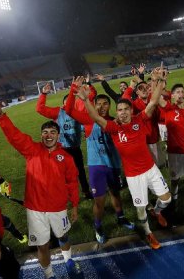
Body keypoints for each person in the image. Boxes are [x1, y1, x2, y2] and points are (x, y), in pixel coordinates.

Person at [75, 67, 171, 250]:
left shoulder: (139, 120)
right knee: (140, 209)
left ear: (131, 110)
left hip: (150, 169)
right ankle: (149, 233)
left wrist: (159, 82)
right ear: (117, 112)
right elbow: (95, 116)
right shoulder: (113, 128)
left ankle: (157, 211)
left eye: (126, 109)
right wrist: (85, 99)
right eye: (120, 109)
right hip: (134, 176)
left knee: (166, 199)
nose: (123, 112)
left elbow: (152, 102)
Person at [0, 100, 81, 279]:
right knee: (42, 246)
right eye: (45, 132)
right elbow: (14, 136)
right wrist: (0, 116)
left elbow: (72, 183)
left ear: (58, 136)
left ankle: (68, 261)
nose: (48, 135)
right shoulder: (32, 150)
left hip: (59, 207)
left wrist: (74, 205)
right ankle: (49, 274)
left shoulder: (66, 158)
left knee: (63, 237)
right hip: (35, 210)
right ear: (41, 135)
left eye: (53, 132)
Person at [64, 80, 134, 244]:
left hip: (114, 165)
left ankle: (121, 217)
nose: (102, 107)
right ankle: (98, 226)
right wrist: (73, 90)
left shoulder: (116, 121)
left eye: (105, 104)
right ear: (94, 106)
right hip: (97, 167)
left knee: (116, 194)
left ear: (110, 107)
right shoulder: (88, 120)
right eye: (99, 104)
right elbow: (68, 110)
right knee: (100, 201)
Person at [36, 82, 93, 199]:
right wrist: (43, 94)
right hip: (63, 150)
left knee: (80, 171)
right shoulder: (58, 112)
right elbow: (40, 109)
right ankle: (66, 195)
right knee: (64, 174)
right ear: (63, 104)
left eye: (72, 102)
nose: (69, 104)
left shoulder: (78, 113)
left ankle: (86, 192)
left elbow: (86, 122)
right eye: (67, 102)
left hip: (75, 148)